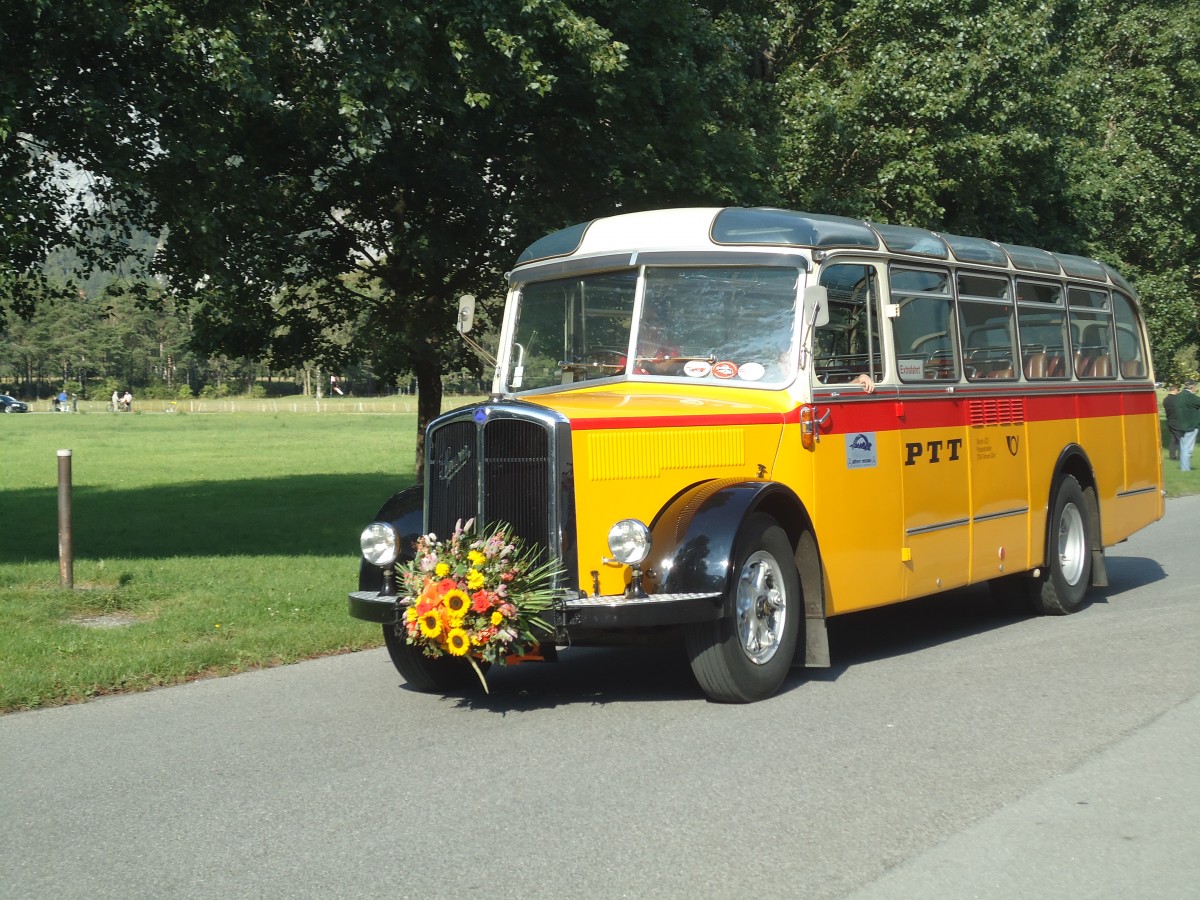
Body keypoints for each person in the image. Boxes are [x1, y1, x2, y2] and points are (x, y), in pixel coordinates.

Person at [1175, 381, 1200, 472]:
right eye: (1195, 387)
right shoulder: (1190, 397)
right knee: (1188, 448)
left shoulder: (1178, 396)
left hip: (1180, 425)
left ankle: (1185, 467)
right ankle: (1185, 468)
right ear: (1192, 387)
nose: (1196, 389)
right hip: (1190, 425)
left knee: (1183, 446)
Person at [1163, 384, 1182, 460]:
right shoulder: (1177, 399)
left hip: (1169, 420)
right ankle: (1181, 456)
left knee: (1173, 439)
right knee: (1181, 439)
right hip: (1176, 421)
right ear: (1175, 390)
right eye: (1178, 390)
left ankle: (1172, 455)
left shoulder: (1166, 399)